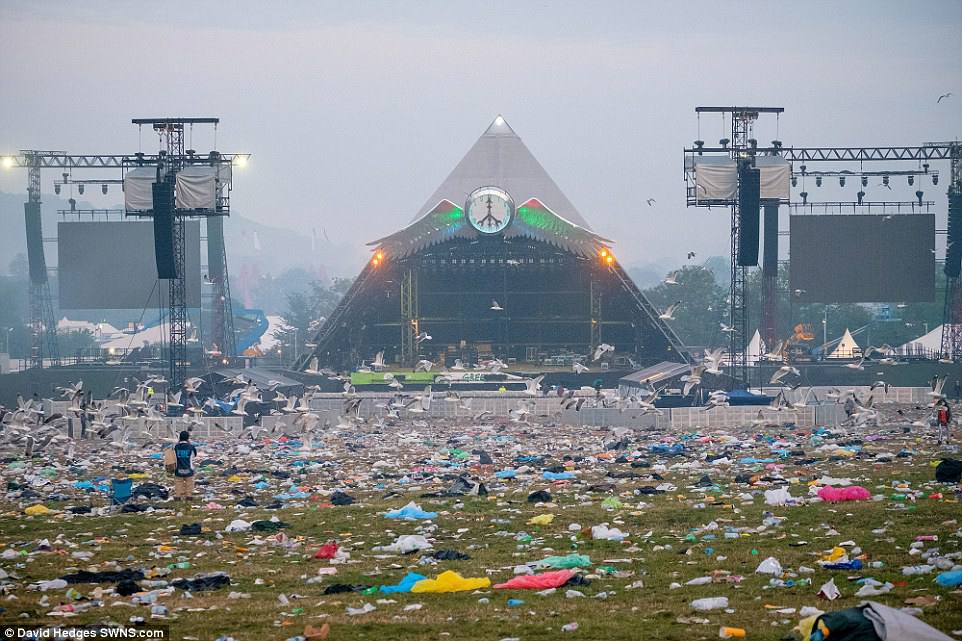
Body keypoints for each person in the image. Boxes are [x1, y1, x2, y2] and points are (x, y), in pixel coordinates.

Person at [173, 431, 198, 501]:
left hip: (178, 469)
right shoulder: (191, 447)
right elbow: (194, 455)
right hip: (189, 470)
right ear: (188, 438)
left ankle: (178, 497)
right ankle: (189, 497)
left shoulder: (176, 447)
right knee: (189, 484)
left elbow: (173, 457)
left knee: (178, 484)